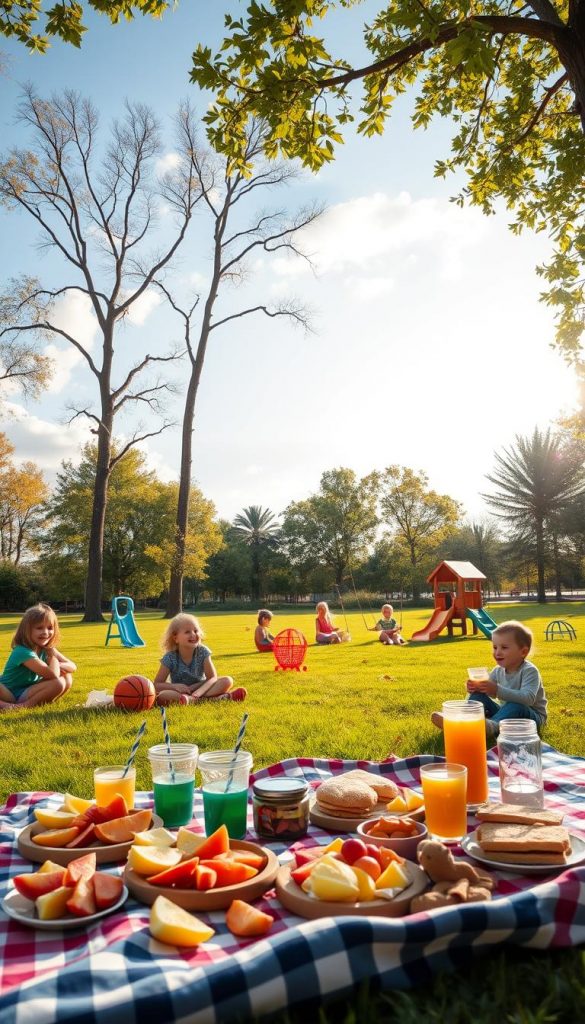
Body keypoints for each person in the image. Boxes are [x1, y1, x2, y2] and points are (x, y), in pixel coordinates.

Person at [431, 620, 547, 740]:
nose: (497, 652)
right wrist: (475, 688)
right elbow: (488, 691)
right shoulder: (498, 670)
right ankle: (462, 721)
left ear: (523, 652)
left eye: (504, 647)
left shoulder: (529, 671)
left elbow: (528, 699)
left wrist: (496, 690)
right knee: (478, 696)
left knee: (516, 705)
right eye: (495, 647)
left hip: (532, 717)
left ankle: (490, 727)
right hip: (507, 713)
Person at [154, 613, 247, 706]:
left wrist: (197, 692)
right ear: (175, 638)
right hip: (181, 693)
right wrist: (175, 687)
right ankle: (220, 698)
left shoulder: (203, 651)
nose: (193, 634)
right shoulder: (170, 657)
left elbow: (212, 678)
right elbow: (157, 684)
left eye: (196, 630)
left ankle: (192, 700)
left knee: (227, 680)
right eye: (187, 632)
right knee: (162, 695)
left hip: (203, 688)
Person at [0, 603, 76, 711]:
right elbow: (52, 674)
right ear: (27, 630)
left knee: (67, 677)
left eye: (50, 628)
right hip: (8, 692)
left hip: (25, 689)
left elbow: (73, 666)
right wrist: (53, 658)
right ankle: (22, 706)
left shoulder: (47, 648)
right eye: (39, 628)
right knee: (57, 682)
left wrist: (58, 665)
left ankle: (43, 701)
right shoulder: (23, 651)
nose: (45, 632)